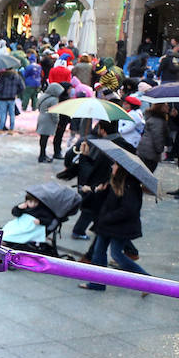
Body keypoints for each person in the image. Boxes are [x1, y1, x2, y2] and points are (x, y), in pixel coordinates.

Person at [79, 163, 150, 291]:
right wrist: (99, 191)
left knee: (117, 254)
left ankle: (147, 280)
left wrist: (107, 218)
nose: (111, 166)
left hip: (120, 226)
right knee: (98, 252)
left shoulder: (130, 186)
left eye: (115, 165)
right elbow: (107, 202)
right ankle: (97, 283)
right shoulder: (114, 182)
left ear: (122, 168)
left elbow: (128, 210)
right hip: (107, 225)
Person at [36, 82, 63, 163]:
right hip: (48, 120)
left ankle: (42, 154)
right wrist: (57, 121)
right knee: (45, 138)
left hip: (41, 117)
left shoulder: (43, 96)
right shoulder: (54, 99)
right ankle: (42, 156)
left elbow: (37, 105)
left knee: (42, 138)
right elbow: (54, 112)